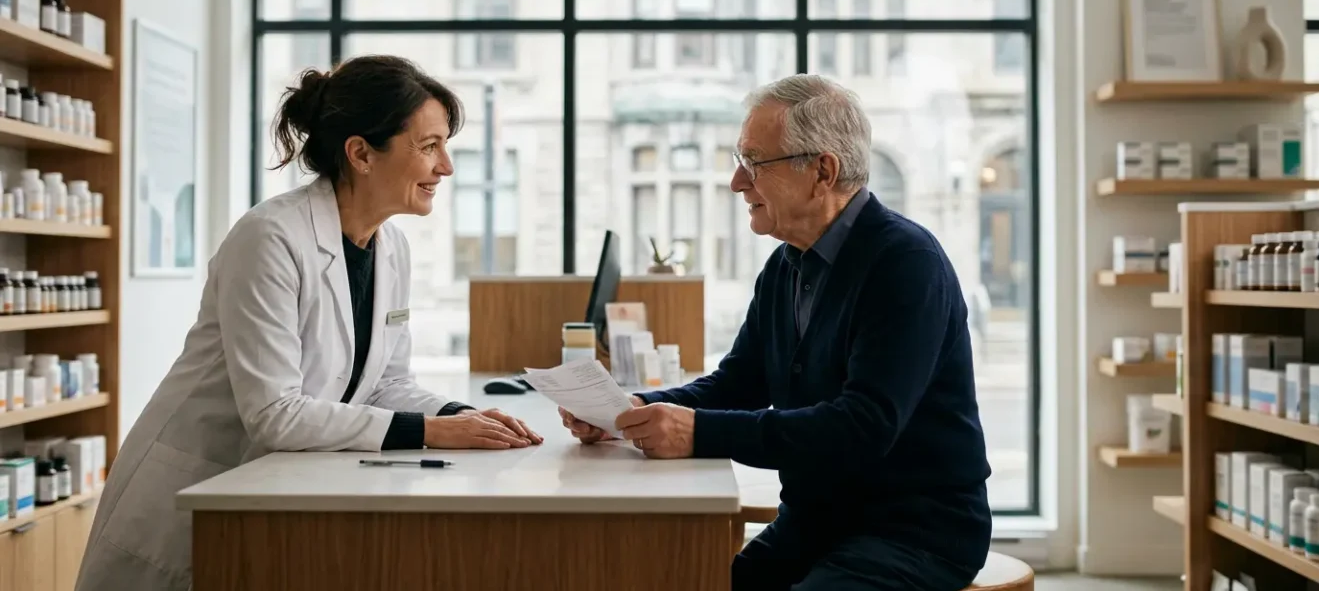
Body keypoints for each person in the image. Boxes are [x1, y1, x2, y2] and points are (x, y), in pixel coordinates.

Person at [75, 55, 543, 591]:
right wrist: (435, 431)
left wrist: (466, 416)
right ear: (362, 153)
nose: (446, 168)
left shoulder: (391, 246)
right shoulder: (270, 238)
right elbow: (274, 413)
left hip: (270, 487)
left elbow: (386, 384)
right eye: (429, 146)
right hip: (201, 488)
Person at [560, 74, 991, 591]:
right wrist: (628, 411)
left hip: (916, 531)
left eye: (754, 163)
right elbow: (736, 384)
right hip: (818, 524)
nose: (737, 182)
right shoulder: (787, 265)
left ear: (822, 172)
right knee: (691, 576)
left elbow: (864, 427)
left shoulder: (906, 263)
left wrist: (696, 431)